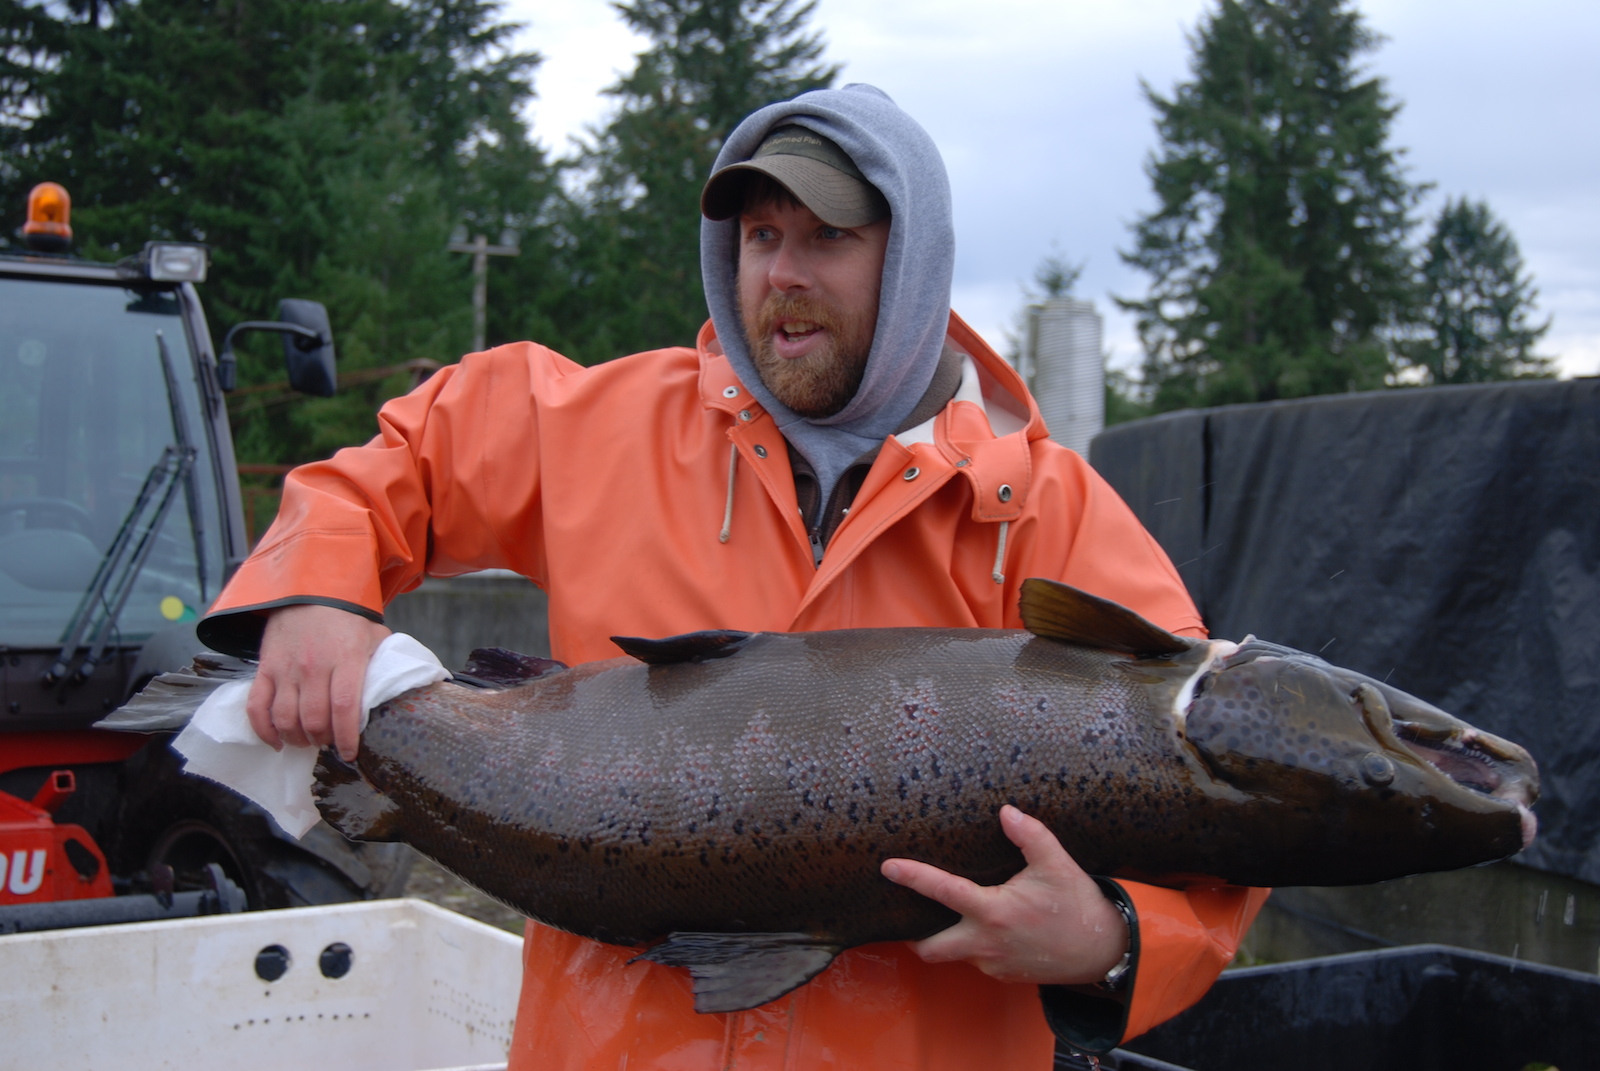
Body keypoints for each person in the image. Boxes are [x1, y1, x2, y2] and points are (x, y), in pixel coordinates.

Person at [198, 84, 1268, 1069]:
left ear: (915, 263)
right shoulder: (598, 427)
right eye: (760, 237)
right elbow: (373, 479)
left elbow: (1220, 803)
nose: (782, 274)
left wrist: (1110, 940)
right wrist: (321, 591)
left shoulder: (1047, 516)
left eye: (827, 237)